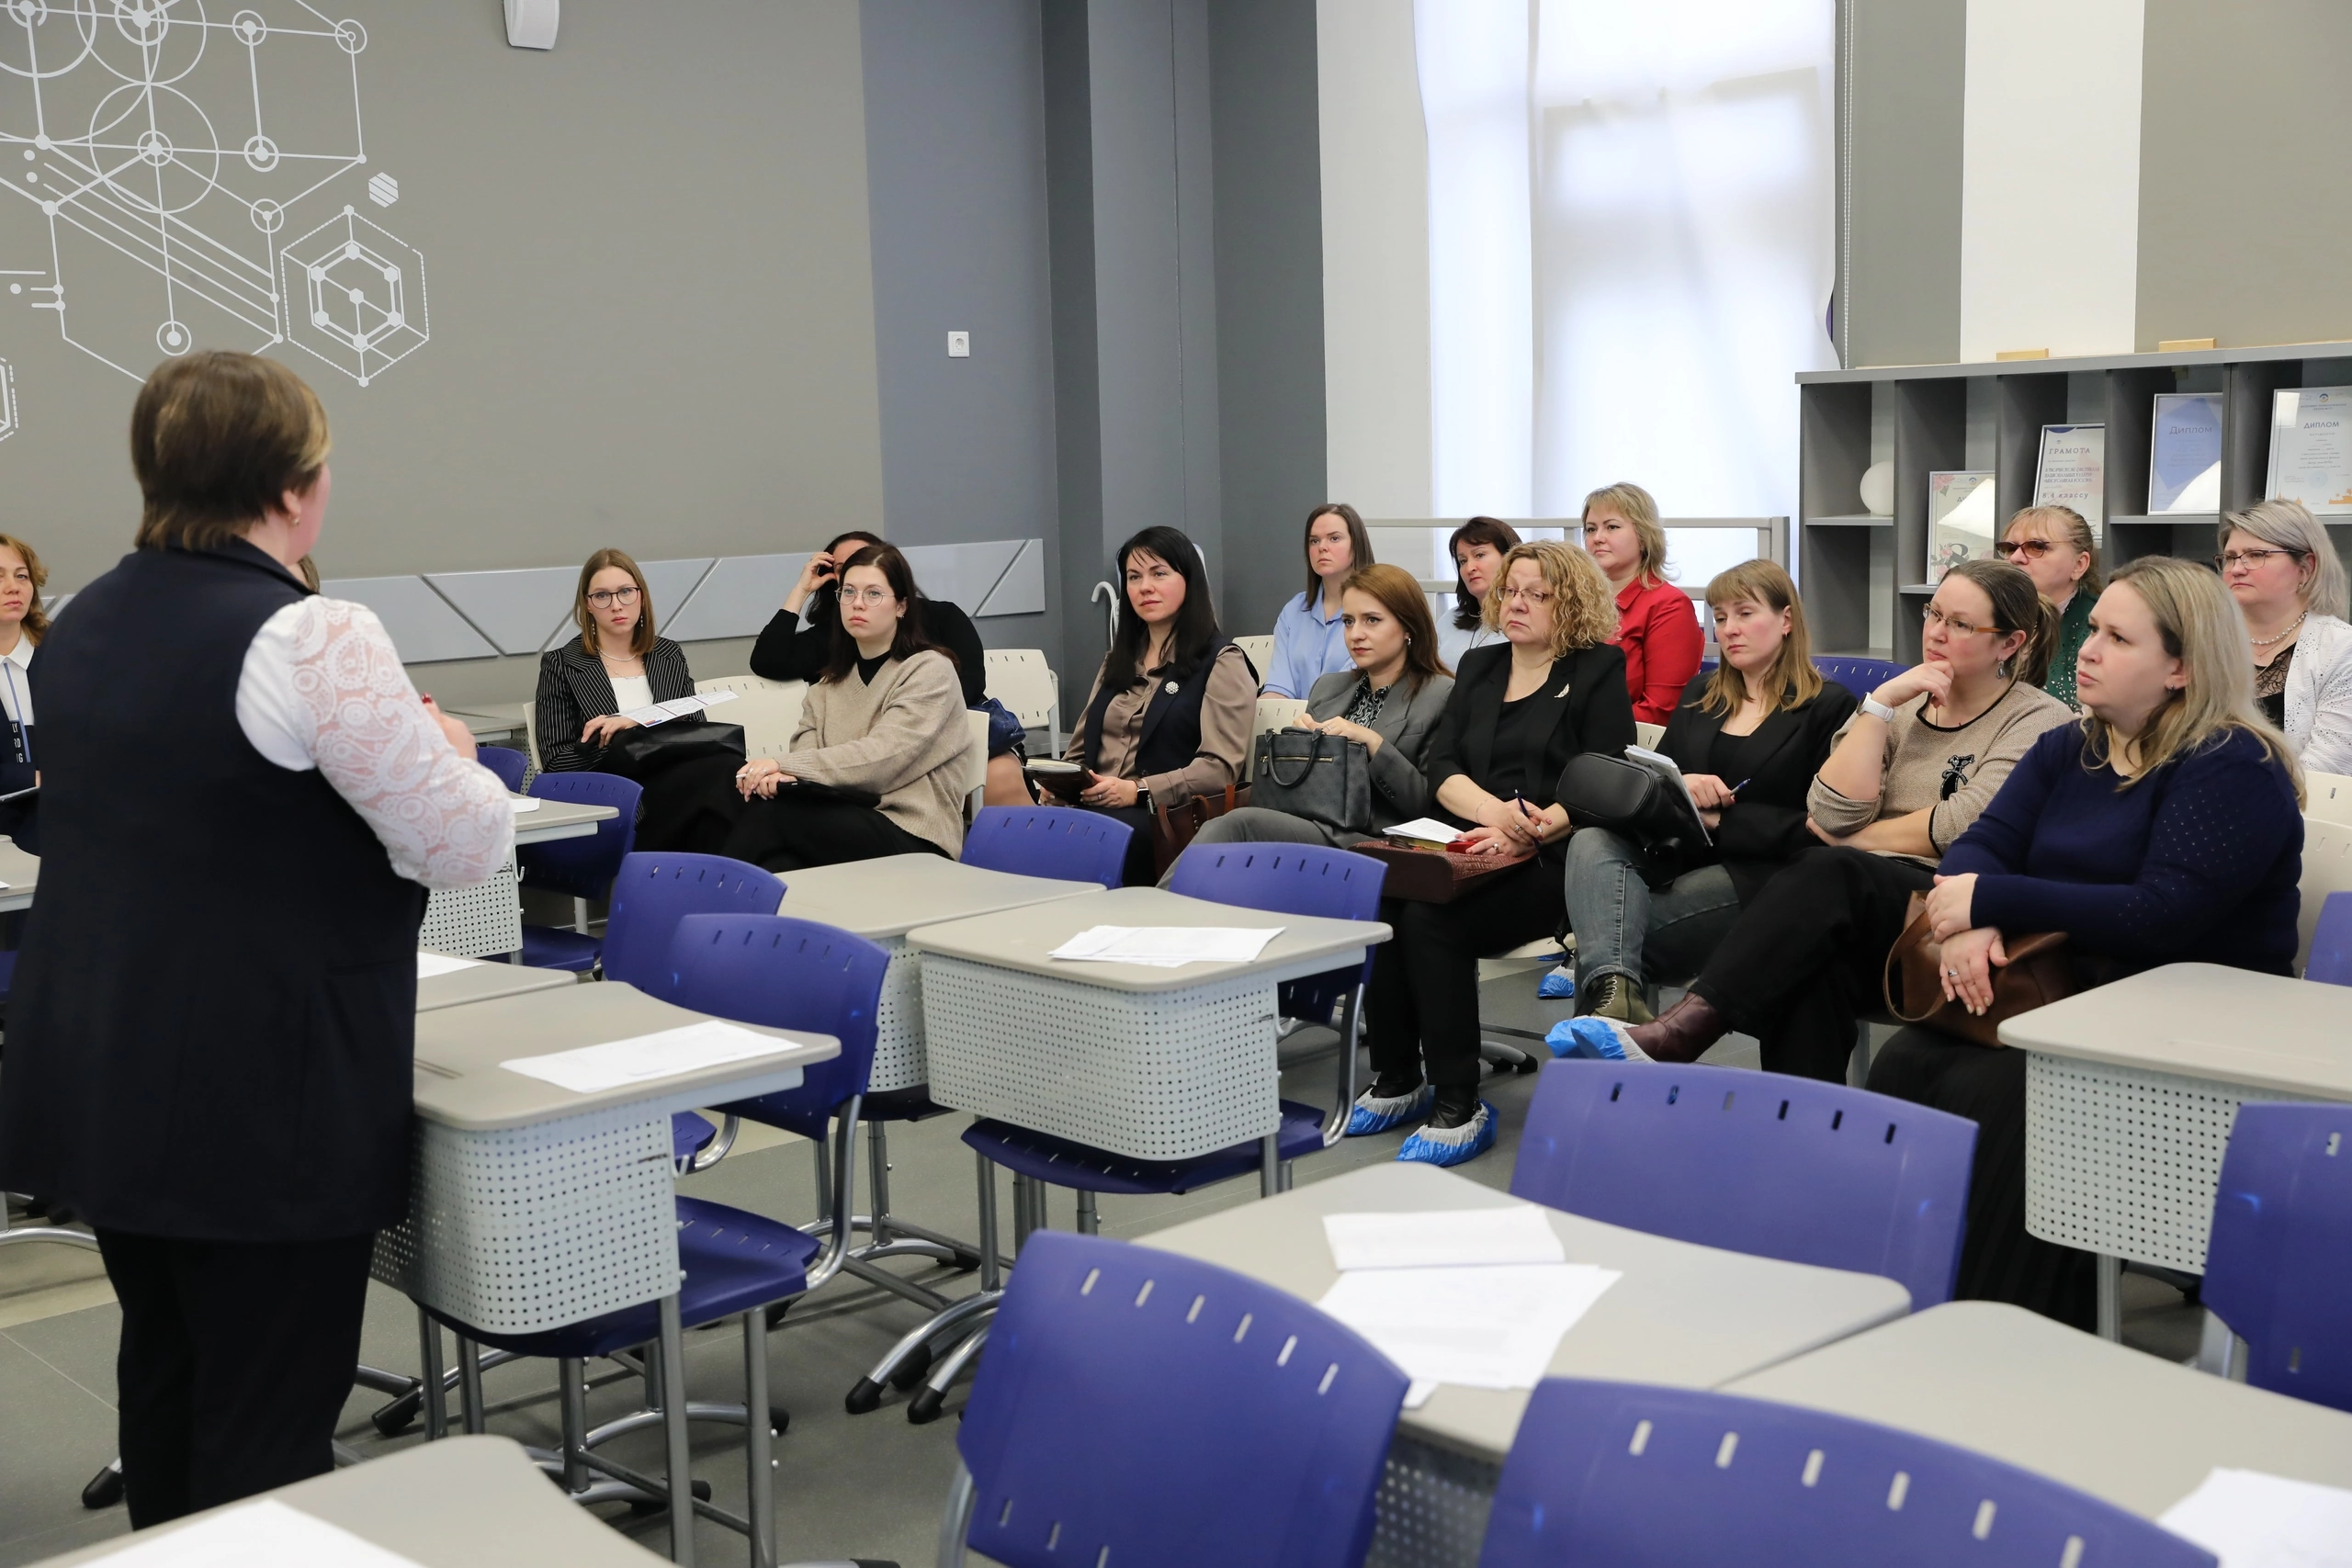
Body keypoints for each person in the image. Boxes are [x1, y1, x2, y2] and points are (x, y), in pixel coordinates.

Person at [0, 351, 512, 1526]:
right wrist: (457, 758)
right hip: (261, 1096)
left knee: (169, 1373)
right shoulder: (313, 634)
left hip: (109, 1075)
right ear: (292, 488)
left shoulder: (83, 624)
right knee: (267, 1421)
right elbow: (462, 844)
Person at [1871, 557, 2304, 1328]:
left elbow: (2158, 913)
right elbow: (1982, 845)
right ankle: (1896, 1297)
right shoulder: (2072, 745)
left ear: (2181, 667)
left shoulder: (2233, 764)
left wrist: (1990, 900)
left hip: (2184, 1024)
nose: (2088, 651)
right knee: (1908, 1060)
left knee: (2003, 1092)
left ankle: (2005, 1331)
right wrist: (1971, 922)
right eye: (2093, 630)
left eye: (2117, 638)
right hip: (2067, 998)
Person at [1559, 558, 2072, 1081]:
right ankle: (1796, 1123)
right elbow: (1830, 810)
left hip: (1941, 893)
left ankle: (1684, 1030)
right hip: (1853, 901)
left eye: (1960, 624)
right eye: (1933, 614)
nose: (1936, 633)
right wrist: (1881, 705)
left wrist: (1854, 841)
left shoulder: (2037, 718)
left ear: (2009, 643)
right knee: (1808, 969)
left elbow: (1959, 825)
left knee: (1830, 867)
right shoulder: (1902, 704)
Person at [1349, 540, 1635, 1167]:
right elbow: (1443, 766)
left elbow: (1608, 777)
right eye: (1510, 591)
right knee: (1384, 904)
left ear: (1571, 603)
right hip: (1470, 837)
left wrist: (1531, 826)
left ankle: (1459, 1101)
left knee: (1430, 921)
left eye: (1537, 594)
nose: (1517, 604)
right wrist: (1492, 814)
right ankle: (1398, 1077)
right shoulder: (1480, 667)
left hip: (1555, 855)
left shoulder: (1596, 668)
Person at [1561, 559, 1858, 1023]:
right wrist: (1681, 782)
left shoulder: (1828, 705)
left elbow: (1825, 826)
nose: (1728, 629)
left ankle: (1610, 1036)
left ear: (1786, 620)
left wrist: (1724, 820)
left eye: (1744, 614)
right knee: (1590, 842)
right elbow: (1660, 782)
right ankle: (1618, 1010)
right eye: (1720, 617)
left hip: (1766, 874)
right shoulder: (1702, 693)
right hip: (1681, 854)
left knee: (1608, 934)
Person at [641, 544, 970, 871]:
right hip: (840, 817)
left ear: (901, 606)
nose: (857, 603)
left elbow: (883, 759)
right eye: (848, 592)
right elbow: (806, 756)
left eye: (873, 594)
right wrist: (781, 776)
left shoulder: (929, 670)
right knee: (749, 821)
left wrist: (782, 765)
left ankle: (700, 895)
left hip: (913, 834)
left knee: (771, 814)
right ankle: (670, 885)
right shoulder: (828, 685)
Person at [1181, 562, 1454, 853]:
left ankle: (1171, 886)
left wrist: (1374, 744)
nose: (1355, 634)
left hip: (1377, 840)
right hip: (1310, 824)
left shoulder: (1440, 694)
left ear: (1408, 627)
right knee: (1235, 828)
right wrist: (1296, 746)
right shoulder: (1328, 688)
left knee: (1237, 824)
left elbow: (1431, 804)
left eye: (1372, 620)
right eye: (1348, 621)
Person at [751, 528, 1030, 806]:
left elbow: (971, 681)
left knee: (1000, 779)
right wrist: (801, 590)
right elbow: (767, 659)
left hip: (946, 738)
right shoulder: (835, 639)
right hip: (862, 762)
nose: (859, 597)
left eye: (873, 588)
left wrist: (907, 713)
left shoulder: (942, 620)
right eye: (845, 573)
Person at [1064, 527, 1256, 886]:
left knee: (1085, 842)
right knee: (1029, 829)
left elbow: (1220, 770)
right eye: (1134, 577)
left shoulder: (1221, 661)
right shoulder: (1116, 661)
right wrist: (1058, 784)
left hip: (1164, 815)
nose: (1145, 587)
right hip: (1096, 807)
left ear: (1189, 581)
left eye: (1159, 574)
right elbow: (1077, 753)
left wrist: (1138, 789)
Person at [2217, 498, 2352, 775]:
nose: (2236, 569)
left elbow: (2329, 766)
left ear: (2306, 568)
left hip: (2294, 799)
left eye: (2256, 555)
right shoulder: (2204, 638)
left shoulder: (2341, 648)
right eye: (2230, 557)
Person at [534, 548, 695, 773]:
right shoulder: (561, 664)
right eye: (602, 596)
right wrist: (627, 738)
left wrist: (638, 721)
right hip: (614, 784)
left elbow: (698, 731)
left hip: (678, 774)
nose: (616, 605)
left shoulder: (669, 654)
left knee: (729, 771)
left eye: (625, 591)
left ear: (641, 596)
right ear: (587, 604)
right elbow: (556, 761)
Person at [1581, 481, 1702, 725]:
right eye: (1591, 529)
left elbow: (1660, 710)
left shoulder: (1669, 606)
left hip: (1625, 741)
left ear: (1644, 537)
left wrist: (1579, 728)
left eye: (1612, 527)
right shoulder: (1577, 600)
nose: (1597, 538)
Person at [1263, 502, 1374, 698]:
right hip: (1293, 717)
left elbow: (1350, 694)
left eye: (1334, 538)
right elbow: (1278, 689)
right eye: (1314, 541)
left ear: (1356, 545)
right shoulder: (1293, 611)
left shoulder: (1376, 610)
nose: (1322, 547)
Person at [1993, 504, 2100, 707]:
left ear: (2079, 565)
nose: (2015, 558)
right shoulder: (1988, 612)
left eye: (2037, 547)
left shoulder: (2101, 626)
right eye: (2010, 548)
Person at [0, 534, 52, 796]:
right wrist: (29, 778)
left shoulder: (62, 655)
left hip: (64, 811)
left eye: (22, 576)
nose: (13, 587)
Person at [1435, 515, 1519, 671]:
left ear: (1509, 557)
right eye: (1463, 561)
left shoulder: (1524, 620)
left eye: (1479, 555)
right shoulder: (1449, 620)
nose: (1469, 568)